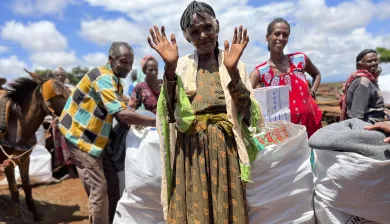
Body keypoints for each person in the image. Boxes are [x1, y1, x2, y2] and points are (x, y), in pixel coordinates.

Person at [148, 1, 263, 223]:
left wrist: (232, 73)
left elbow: (249, 116)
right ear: (187, 37)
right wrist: (170, 70)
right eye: (195, 32)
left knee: (225, 209)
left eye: (207, 28)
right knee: (194, 209)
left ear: (217, 26)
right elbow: (170, 115)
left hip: (224, 150)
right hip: (190, 152)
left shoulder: (235, 65)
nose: (202, 35)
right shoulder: (180, 66)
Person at [58, 42, 156, 224]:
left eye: (130, 63)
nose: (127, 67)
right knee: (99, 188)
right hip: (81, 138)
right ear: (111, 59)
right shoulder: (103, 77)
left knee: (112, 182)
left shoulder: (115, 80)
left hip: (98, 138)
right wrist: (156, 122)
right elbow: (122, 114)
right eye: (123, 62)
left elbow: (122, 105)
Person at [249, 18, 322, 137]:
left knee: (315, 154)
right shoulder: (261, 72)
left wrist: (312, 92)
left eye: (285, 35)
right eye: (277, 34)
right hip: (285, 133)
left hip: (311, 123)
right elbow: (244, 95)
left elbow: (317, 74)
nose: (281, 38)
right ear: (267, 37)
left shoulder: (300, 59)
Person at [340, 49, 386, 124]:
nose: (374, 63)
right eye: (369, 61)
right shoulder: (364, 82)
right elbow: (357, 115)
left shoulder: (371, 79)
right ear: (359, 65)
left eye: (375, 60)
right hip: (369, 121)